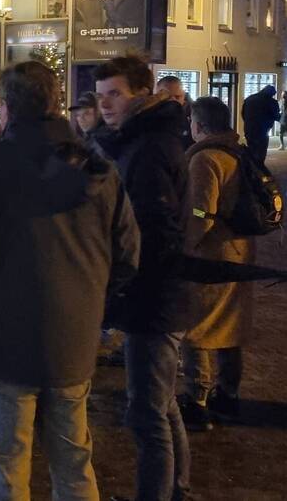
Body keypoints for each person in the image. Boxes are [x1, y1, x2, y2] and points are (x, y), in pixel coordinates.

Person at [0, 61, 140, 501]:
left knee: (6, 466)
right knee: (73, 465)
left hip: (0, 340)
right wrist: (89, 303)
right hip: (73, 340)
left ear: (7, 109)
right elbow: (127, 254)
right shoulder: (97, 171)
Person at [93, 56, 198, 501]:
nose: (105, 105)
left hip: (154, 297)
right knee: (163, 403)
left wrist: (123, 283)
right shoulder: (145, 139)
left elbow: (152, 232)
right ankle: (176, 488)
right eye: (99, 98)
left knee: (146, 412)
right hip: (161, 294)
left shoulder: (150, 147)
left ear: (142, 92)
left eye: (114, 94)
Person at [179, 97, 255, 432]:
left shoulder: (205, 159)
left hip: (211, 255)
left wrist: (185, 247)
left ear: (198, 124)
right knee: (230, 328)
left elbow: (200, 213)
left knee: (197, 327)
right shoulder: (237, 152)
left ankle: (197, 399)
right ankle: (229, 395)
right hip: (239, 251)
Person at [241, 84, 279, 164]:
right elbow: (276, 116)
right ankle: (259, 168)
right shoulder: (271, 102)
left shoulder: (249, 99)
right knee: (261, 151)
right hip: (263, 130)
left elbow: (243, 114)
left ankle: (251, 167)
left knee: (251, 148)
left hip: (249, 128)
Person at [155, 75, 193, 149]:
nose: (172, 101)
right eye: (167, 97)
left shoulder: (193, 118)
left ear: (184, 96)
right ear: (157, 96)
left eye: (177, 97)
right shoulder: (147, 119)